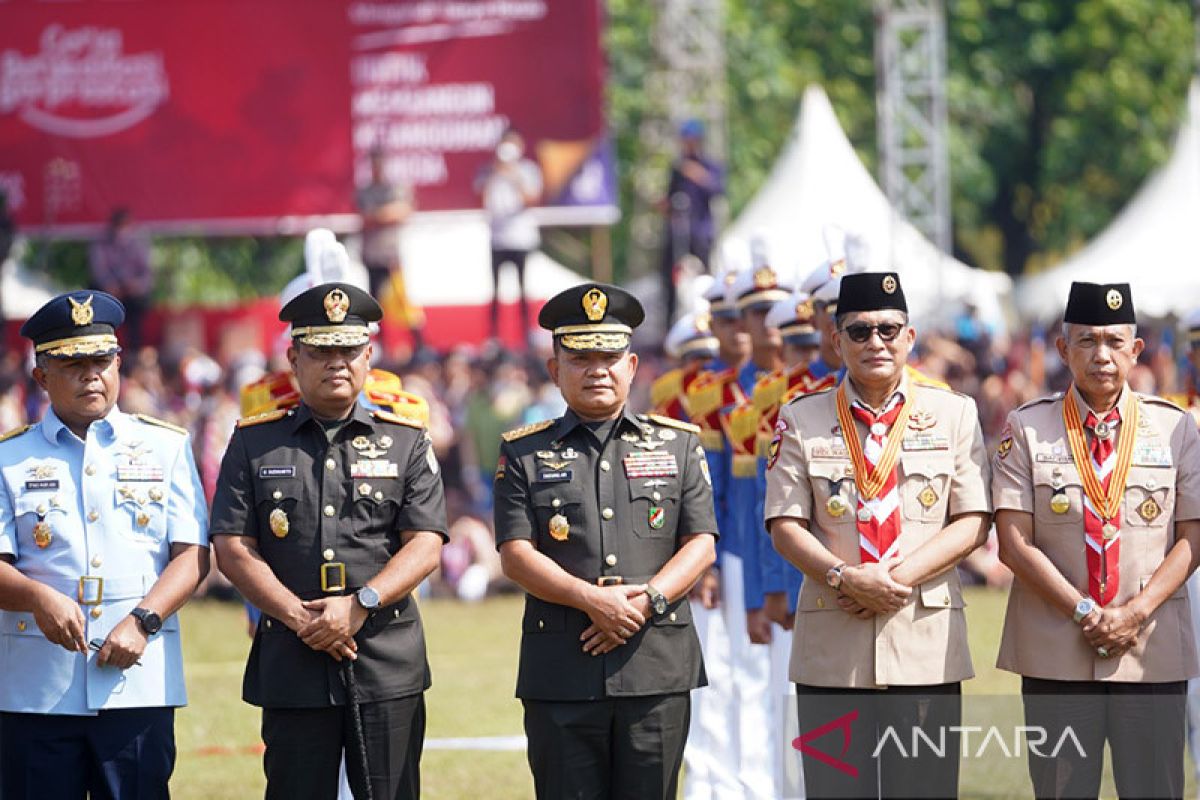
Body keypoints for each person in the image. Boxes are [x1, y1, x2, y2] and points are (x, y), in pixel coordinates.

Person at [210, 281, 447, 800]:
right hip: (294, 658)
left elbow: (426, 543)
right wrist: (301, 618)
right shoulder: (254, 440)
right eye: (321, 350)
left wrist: (361, 604)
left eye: (348, 350)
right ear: (293, 358)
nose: (336, 362)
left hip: (384, 655)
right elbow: (232, 547)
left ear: (369, 356)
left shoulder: (405, 439)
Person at [766, 272, 991, 799]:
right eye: (860, 331)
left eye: (889, 330)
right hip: (833, 645)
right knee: (835, 791)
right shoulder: (801, 419)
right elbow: (784, 524)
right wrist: (845, 577)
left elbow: (974, 520)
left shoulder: (954, 414)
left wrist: (895, 579)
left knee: (925, 790)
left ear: (910, 338)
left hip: (924, 642)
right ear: (836, 339)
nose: (876, 343)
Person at [493, 282, 718, 799]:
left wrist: (647, 601)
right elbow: (515, 554)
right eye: (580, 357)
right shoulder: (523, 452)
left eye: (610, 356)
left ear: (632, 366)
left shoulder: (677, 444)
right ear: (555, 370)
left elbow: (701, 542)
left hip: (655, 666)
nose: (598, 368)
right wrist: (591, 599)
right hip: (563, 668)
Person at [992, 281, 1200, 800]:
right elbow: (1014, 544)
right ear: (1063, 350)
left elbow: (1193, 536)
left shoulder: (1175, 429)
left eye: (1114, 341)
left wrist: (1135, 612)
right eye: (1086, 341)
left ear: (1136, 349)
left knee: (1156, 790)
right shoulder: (1027, 428)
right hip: (1056, 650)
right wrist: (1086, 612)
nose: (1101, 355)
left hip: (1149, 650)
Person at [0, 290, 209, 798]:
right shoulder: (9, 458)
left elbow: (193, 555)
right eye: (73, 363)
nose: (90, 374)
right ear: (41, 376)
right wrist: (38, 597)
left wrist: (145, 620)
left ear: (119, 364)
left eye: (101, 360)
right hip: (37, 684)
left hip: (137, 677)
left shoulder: (166, 445)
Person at [477, 127, 543, 346]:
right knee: (495, 290)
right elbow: (480, 196)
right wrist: (497, 172)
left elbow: (532, 199)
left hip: (521, 238)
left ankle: (527, 334)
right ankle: (494, 336)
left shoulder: (528, 170)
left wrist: (514, 176)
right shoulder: (489, 171)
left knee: (523, 289)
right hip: (497, 238)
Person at [356, 149, 426, 352]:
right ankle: (382, 347)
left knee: (403, 303)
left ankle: (419, 346)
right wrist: (385, 214)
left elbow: (403, 211)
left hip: (391, 255)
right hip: (372, 255)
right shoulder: (365, 191)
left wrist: (380, 215)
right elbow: (365, 217)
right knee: (376, 306)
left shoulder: (395, 188)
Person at [660, 119, 724, 326]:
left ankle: (709, 318)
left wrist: (695, 173)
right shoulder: (677, 168)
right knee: (670, 277)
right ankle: (672, 324)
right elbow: (672, 198)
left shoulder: (710, 166)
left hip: (701, 232)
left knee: (705, 276)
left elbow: (716, 191)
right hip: (679, 231)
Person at [89, 208, 153, 352]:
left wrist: (136, 285)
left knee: (137, 311)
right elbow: (99, 271)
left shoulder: (138, 244)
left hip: (132, 294)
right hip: (108, 291)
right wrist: (110, 286)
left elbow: (147, 274)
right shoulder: (101, 243)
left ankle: (134, 353)